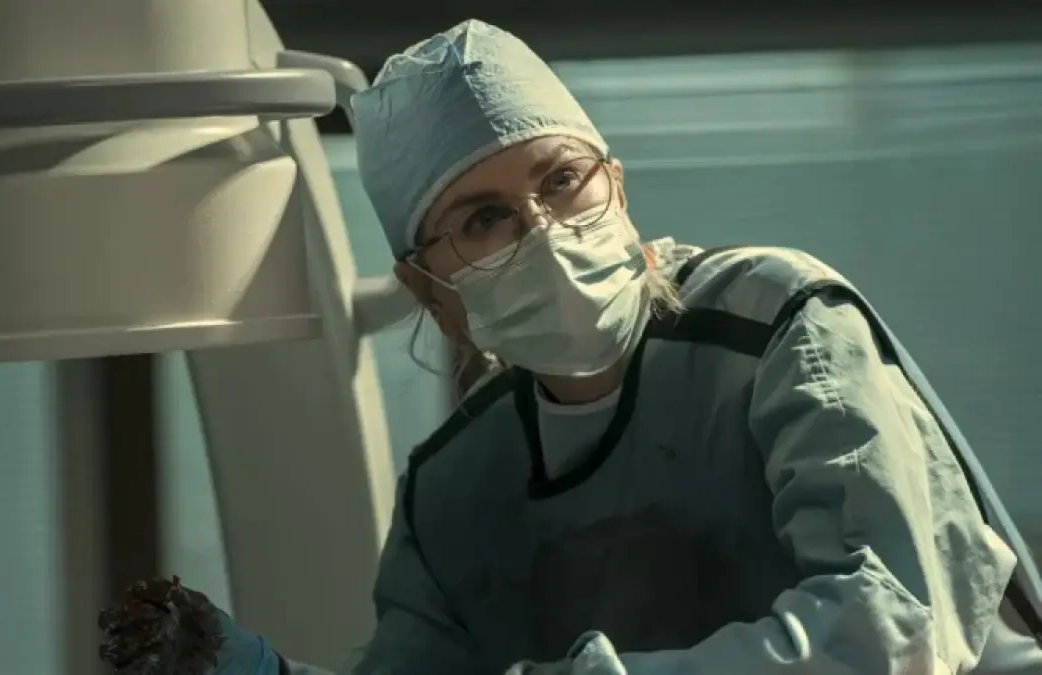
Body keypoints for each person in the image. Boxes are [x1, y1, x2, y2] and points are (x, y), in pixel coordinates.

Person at [100, 19, 1042, 675]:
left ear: (616, 189)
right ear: (432, 292)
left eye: (561, 179)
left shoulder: (771, 326)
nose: (544, 230)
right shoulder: (455, 487)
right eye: (484, 218)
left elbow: (894, 632)